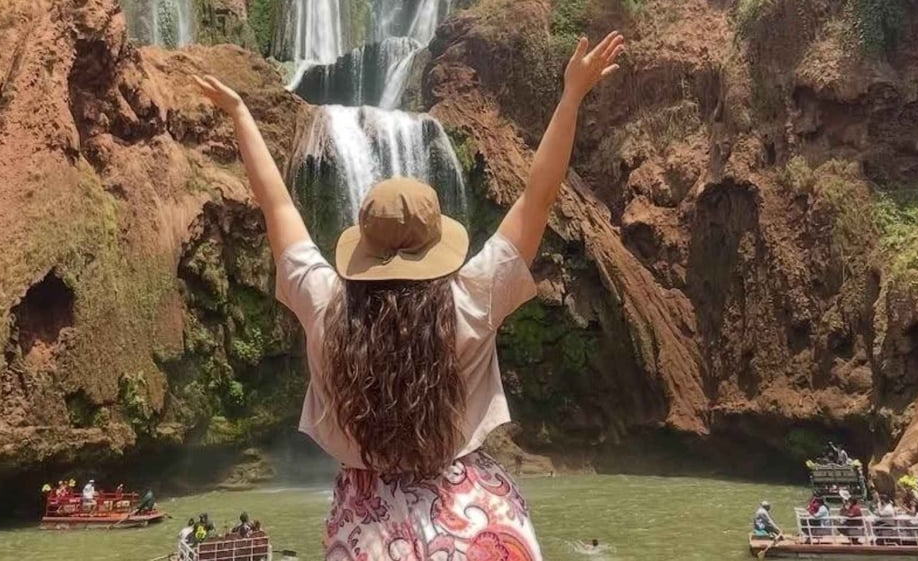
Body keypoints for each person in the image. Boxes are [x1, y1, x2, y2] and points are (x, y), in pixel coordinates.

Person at [195, 31, 625, 561]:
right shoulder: (471, 298)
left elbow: (278, 207)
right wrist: (570, 97)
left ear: (364, 247)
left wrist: (240, 114)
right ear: (436, 245)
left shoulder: (326, 304)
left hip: (368, 534)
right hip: (477, 521)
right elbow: (539, 194)